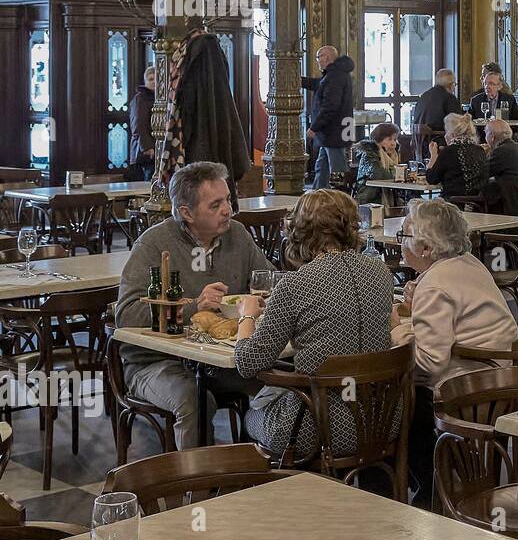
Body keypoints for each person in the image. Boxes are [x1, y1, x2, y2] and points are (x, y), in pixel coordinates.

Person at [114, 161, 271, 449]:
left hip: (218, 358)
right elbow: (125, 315)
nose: (227, 210)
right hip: (156, 362)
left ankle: (261, 473)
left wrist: (262, 300)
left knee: (277, 382)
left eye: (227, 200)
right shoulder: (154, 244)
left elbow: (267, 282)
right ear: (186, 213)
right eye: (215, 205)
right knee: (194, 400)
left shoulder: (236, 235)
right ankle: (196, 488)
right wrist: (193, 306)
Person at [233, 190, 396, 460]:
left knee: (252, 413)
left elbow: (248, 363)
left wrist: (247, 315)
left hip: (316, 428)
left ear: (299, 230)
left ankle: (255, 496)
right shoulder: (381, 273)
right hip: (382, 421)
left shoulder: (295, 286)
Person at [389, 198, 518, 505]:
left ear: (426, 249)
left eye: (404, 235)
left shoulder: (436, 283)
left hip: (473, 393)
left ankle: (434, 495)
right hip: (502, 380)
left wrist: (397, 328)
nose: (398, 241)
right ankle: (441, 487)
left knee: (396, 402)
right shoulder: (467, 264)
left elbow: (429, 366)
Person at [302, 45, 355, 190]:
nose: (317, 61)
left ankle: (340, 199)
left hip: (334, 132)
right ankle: (318, 196)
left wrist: (314, 127)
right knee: (322, 167)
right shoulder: (335, 74)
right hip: (335, 132)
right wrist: (298, 80)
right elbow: (319, 84)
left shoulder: (335, 76)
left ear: (326, 58)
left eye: (319, 57)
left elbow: (330, 105)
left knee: (337, 170)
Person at [425, 112, 487, 201]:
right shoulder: (480, 150)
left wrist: (433, 155)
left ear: (453, 134)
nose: (445, 135)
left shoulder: (449, 151)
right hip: (477, 204)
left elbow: (431, 179)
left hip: (453, 204)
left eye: (446, 132)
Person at [484, 117, 518, 215]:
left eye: (486, 134)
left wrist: (482, 153)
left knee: (483, 192)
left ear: (492, 137)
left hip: (514, 203)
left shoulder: (501, 151)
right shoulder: (515, 146)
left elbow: (483, 173)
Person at [411, 68, 461, 156]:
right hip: (439, 146)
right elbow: (458, 125)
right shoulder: (449, 98)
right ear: (451, 85)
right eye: (454, 85)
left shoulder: (423, 97)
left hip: (421, 147)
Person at [353, 122, 401, 205]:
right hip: (370, 200)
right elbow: (378, 173)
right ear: (379, 140)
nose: (393, 143)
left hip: (385, 198)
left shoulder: (392, 156)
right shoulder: (368, 153)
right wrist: (399, 174)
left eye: (395, 139)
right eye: (389, 139)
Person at [127, 65, 156, 181]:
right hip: (144, 152)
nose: (154, 82)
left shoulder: (159, 98)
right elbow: (138, 125)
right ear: (145, 81)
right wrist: (147, 147)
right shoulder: (141, 99)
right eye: (150, 79)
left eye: (157, 79)